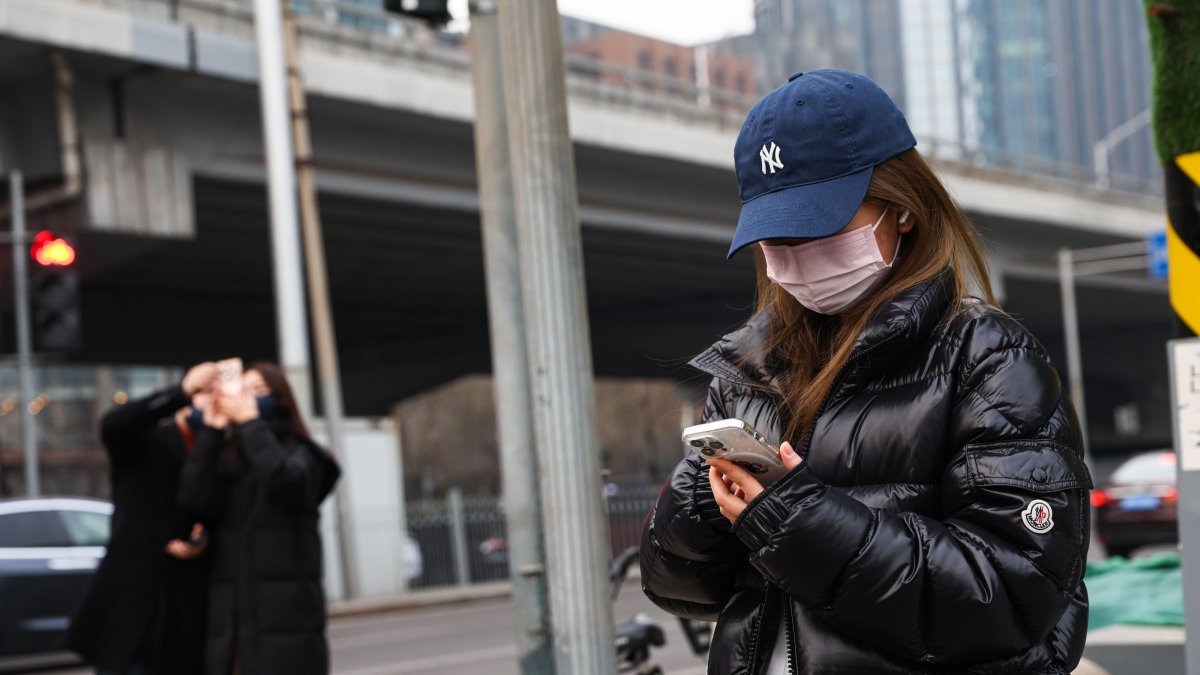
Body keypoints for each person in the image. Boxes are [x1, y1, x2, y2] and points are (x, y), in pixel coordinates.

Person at [640, 70, 1092, 674]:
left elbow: (1012, 596)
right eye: (775, 236)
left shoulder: (988, 360)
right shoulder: (748, 371)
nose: (795, 254)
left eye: (817, 223)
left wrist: (798, 522)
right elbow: (679, 590)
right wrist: (702, 497)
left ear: (902, 208)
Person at [178, 361, 340, 675]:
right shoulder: (230, 458)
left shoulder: (306, 455)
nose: (247, 398)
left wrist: (251, 423)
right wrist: (212, 431)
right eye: (243, 390)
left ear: (281, 400)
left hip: (286, 627)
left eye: (259, 390)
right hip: (232, 630)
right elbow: (193, 501)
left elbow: (285, 481)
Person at [67, 364, 217, 675]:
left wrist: (204, 538)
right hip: (132, 607)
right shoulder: (147, 440)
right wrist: (180, 392)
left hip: (186, 611)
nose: (212, 401)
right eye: (205, 393)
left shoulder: (220, 446)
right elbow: (114, 425)